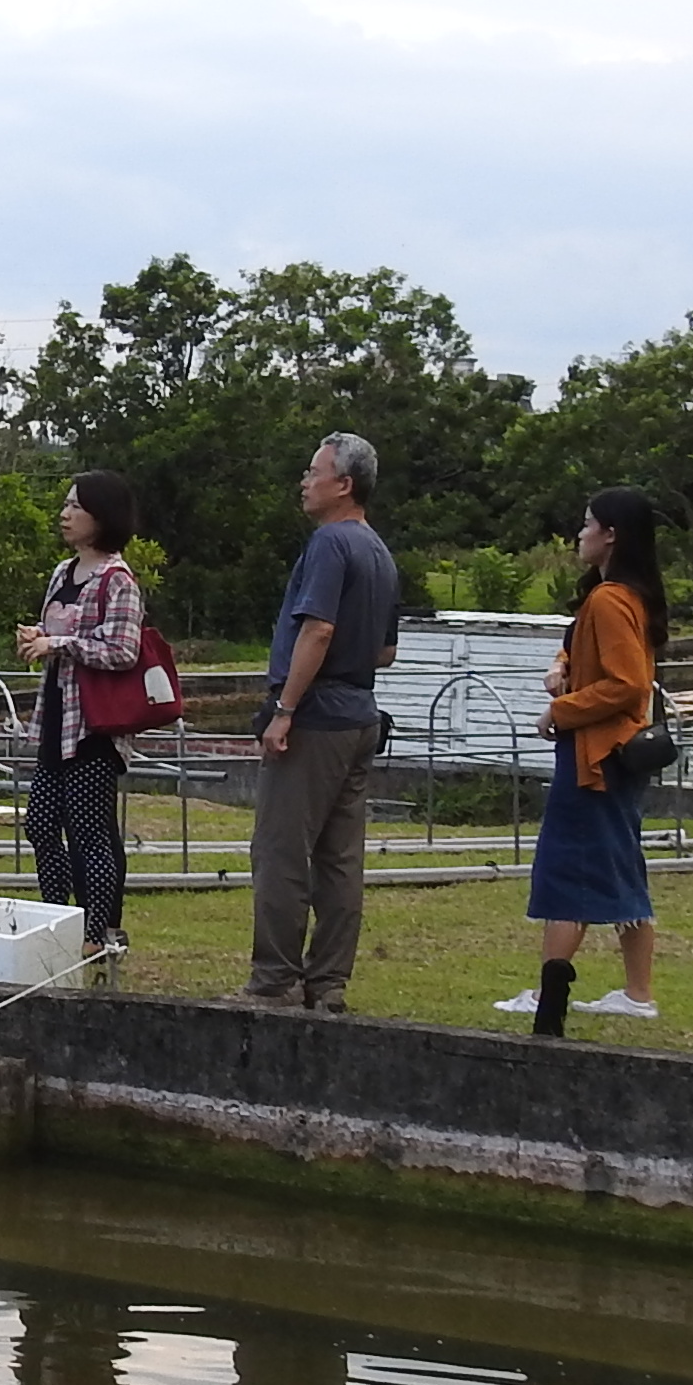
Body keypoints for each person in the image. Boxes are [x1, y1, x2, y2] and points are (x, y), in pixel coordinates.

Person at [236, 432, 402, 1012]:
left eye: (313, 472)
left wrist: (285, 709)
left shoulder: (330, 545)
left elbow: (318, 628)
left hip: (316, 716)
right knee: (340, 858)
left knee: (281, 850)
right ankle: (328, 982)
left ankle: (275, 979)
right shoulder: (378, 550)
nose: (304, 482)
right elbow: (386, 651)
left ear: (343, 484)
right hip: (360, 712)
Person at [502, 487, 667, 1032]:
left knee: (566, 870)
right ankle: (637, 991)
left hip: (596, 756)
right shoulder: (621, 596)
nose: (580, 533)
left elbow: (628, 683)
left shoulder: (609, 599)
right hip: (619, 756)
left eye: (588, 523)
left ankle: (551, 984)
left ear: (612, 533)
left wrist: (563, 710)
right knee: (621, 865)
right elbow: (585, 649)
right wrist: (561, 664)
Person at [13, 469, 148, 975]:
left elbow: (122, 650)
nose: (65, 514)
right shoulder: (62, 572)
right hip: (55, 718)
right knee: (43, 822)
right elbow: (56, 637)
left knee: (91, 830)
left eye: (76, 506)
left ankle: (96, 933)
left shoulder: (118, 581)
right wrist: (37, 639)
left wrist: (59, 644)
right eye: (66, 505)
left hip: (94, 727)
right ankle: (57, 919)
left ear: (102, 517)